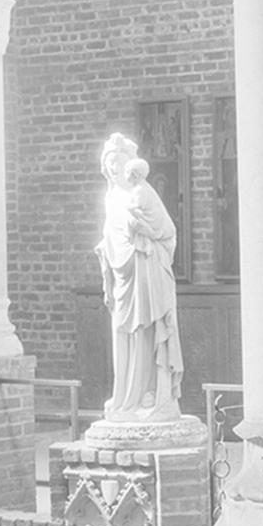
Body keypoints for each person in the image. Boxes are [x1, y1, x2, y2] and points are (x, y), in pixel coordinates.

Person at [94, 131, 183, 420]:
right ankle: (124, 396)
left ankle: (152, 393)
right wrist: (105, 248)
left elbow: (166, 230)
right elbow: (113, 234)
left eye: (119, 162)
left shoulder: (142, 193)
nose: (114, 167)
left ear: (130, 166)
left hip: (146, 270)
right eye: (109, 162)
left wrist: (144, 231)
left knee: (147, 330)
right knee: (123, 333)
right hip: (123, 276)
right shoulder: (111, 198)